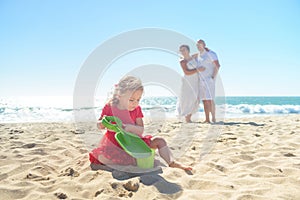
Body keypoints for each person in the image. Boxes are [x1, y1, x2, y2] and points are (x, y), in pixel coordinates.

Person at [89, 75, 192, 171]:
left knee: (160, 141)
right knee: (101, 157)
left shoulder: (136, 109)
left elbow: (141, 130)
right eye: (131, 100)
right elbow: (99, 124)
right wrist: (103, 124)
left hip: (134, 142)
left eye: (138, 99)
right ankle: (131, 161)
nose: (135, 103)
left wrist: (128, 128)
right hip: (116, 143)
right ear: (119, 96)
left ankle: (172, 162)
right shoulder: (110, 107)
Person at [177, 45, 205, 122]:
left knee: (196, 98)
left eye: (184, 50)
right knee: (187, 98)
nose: (183, 52)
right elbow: (186, 72)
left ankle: (189, 116)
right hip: (187, 80)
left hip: (196, 80)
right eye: (181, 50)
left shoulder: (194, 57)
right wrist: (198, 70)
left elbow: (203, 52)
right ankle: (187, 117)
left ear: (188, 50)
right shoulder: (182, 61)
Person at [194, 39, 220, 123]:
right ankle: (207, 119)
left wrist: (212, 77)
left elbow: (217, 65)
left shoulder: (211, 53)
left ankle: (214, 118)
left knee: (210, 99)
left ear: (204, 44)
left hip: (209, 80)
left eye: (200, 44)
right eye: (197, 45)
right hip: (201, 80)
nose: (199, 46)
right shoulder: (198, 55)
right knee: (204, 100)